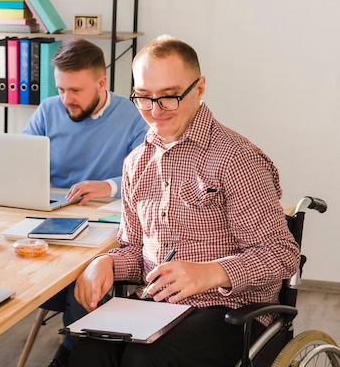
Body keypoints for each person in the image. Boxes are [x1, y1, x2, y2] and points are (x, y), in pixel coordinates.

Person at [67, 35, 300, 367]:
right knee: (89, 354)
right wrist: (106, 263)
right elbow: (136, 252)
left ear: (200, 89)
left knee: (142, 361)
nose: (155, 111)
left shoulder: (236, 158)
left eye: (169, 97)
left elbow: (282, 254)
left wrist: (211, 273)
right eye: (144, 98)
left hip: (232, 311)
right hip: (156, 307)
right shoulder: (136, 162)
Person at [23, 38, 148, 367]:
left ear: (101, 82)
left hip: (100, 225)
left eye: (75, 90)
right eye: (61, 89)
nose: (66, 100)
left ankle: (72, 351)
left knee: (84, 274)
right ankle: (78, 343)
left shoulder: (132, 117)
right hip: (51, 218)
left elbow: (149, 173)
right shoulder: (49, 110)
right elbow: (21, 160)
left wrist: (107, 186)